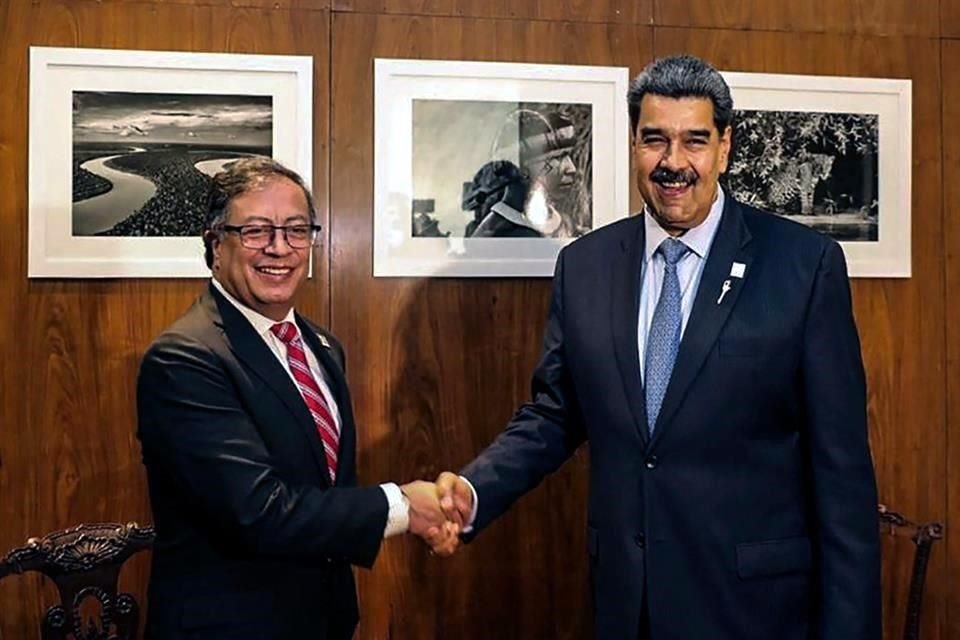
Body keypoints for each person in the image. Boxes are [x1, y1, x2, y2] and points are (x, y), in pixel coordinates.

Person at [437, 55, 881, 640]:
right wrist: (473, 491)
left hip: (755, 611)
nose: (674, 163)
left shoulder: (803, 267)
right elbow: (555, 413)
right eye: (655, 140)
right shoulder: (586, 267)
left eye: (695, 140)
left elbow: (842, 478)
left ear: (724, 147)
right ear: (634, 146)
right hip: (629, 605)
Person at [137, 157, 458, 640]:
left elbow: (325, 489)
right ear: (214, 244)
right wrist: (404, 507)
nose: (279, 248)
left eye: (296, 229)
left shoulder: (322, 346)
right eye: (256, 231)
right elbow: (259, 513)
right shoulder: (185, 359)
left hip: (322, 618)